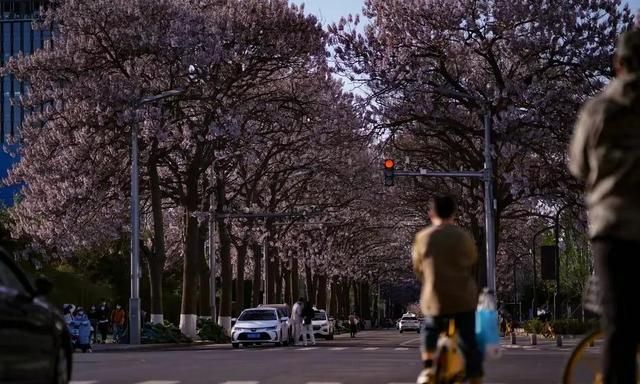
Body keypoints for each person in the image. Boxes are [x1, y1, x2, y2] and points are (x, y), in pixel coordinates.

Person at [569, 28, 640, 384]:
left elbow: (579, 166)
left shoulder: (598, 109)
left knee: (620, 327)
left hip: (612, 227)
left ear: (618, 64)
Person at [412, 195, 482, 384]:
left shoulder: (423, 238)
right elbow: (472, 259)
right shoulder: (463, 236)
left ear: (431, 213)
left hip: (435, 300)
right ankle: (475, 377)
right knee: (469, 341)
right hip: (463, 299)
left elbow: (418, 267)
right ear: (453, 213)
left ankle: (428, 368)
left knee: (429, 329)